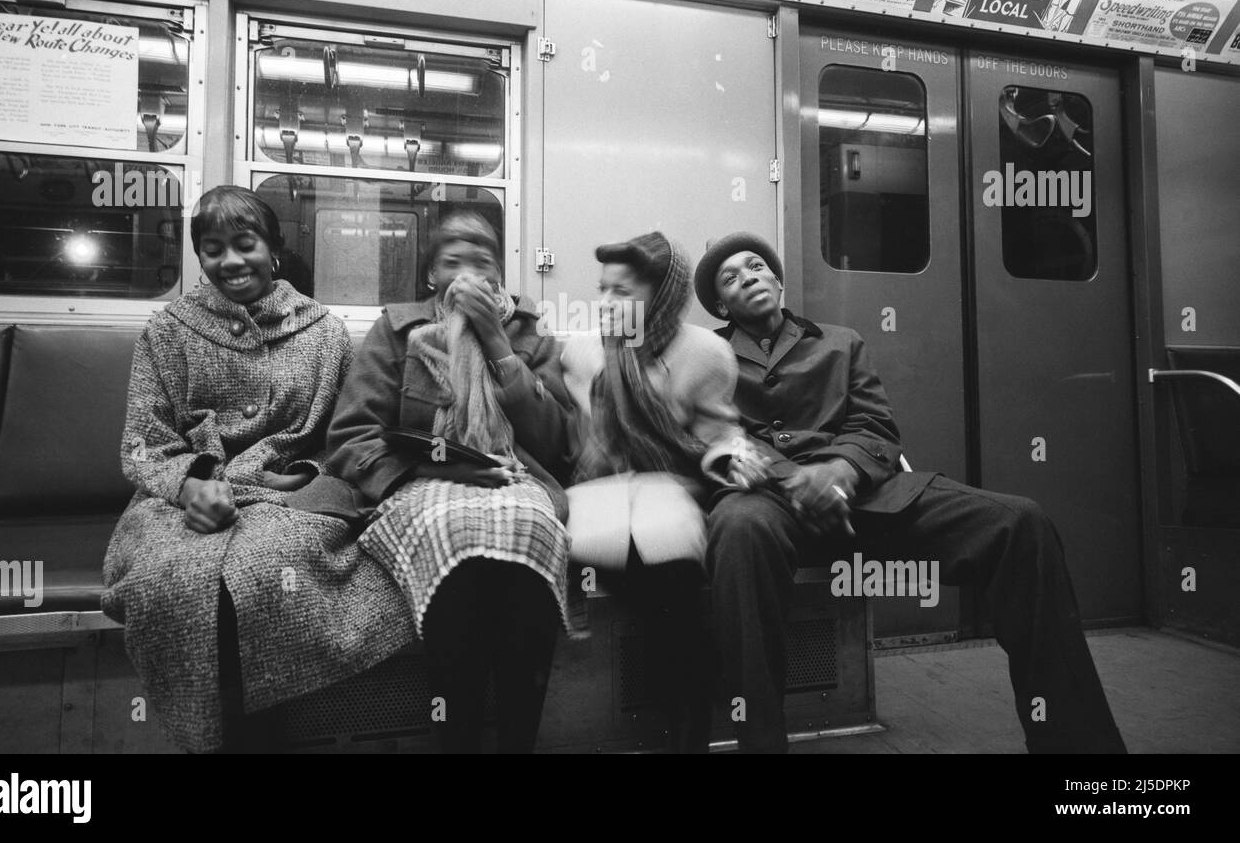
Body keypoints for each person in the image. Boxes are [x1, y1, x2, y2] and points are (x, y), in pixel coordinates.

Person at [693, 231, 1128, 754]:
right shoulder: (707, 356)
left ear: (779, 280)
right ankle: (760, 743)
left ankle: (1080, 755)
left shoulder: (840, 340)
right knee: (738, 530)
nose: (750, 277)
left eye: (757, 266)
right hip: (766, 502)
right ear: (721, 304)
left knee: (1021, 523)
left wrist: (840, 471)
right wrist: (792, 478)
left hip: (864, 496)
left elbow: (875, 427)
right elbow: (717, 436)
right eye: (732, 277)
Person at [101, 185, 414, 753]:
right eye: (214, 249)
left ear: (274, 250)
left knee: (264, 573)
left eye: (244, 245)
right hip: (178, 502)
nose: (230, 262)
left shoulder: (324, 333)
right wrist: (189, 484)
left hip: (291, 500)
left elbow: (348, 435)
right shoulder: (169, 331)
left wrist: (308, 477)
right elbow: (142, 444)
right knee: (172, 581)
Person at [324, 210, 575, 754]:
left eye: (481, 261)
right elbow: (352, 438)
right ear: (431, 276)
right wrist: (439, 466)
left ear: (499, 275)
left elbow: (556, 442)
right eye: (451, 262)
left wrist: (496, 342)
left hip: (514, 479)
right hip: (418, 482)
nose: (467, 273)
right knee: (454, 532)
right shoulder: (396, 331)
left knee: (530, 527)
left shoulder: (530, 334)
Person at [559, 232, 767, 753]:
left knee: (667, 570)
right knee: (651, 577)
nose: (606, 304)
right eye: (602, 291)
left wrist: (729, 460)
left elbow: (719, 434)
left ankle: (686, 732)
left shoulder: (707, 353)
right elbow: (575, 438)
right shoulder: (582, 352)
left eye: (622, 292)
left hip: (674, 489)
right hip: (601, 494)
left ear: (664, 296)